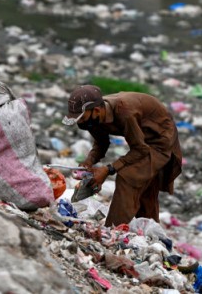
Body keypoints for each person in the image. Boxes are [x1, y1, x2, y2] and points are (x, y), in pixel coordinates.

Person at [65, 85, 183, 226]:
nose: (80, 123)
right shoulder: (93, 118)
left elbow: (140, 149)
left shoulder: (125, 112)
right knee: (145, 190)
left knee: (128, 177)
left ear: (96, 110)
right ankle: (150, 231)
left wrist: (108, 169)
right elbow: (101, 143)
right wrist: (89, 161)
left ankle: (113, 229)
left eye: (81, 118)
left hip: (160, 139)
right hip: (141, 139)